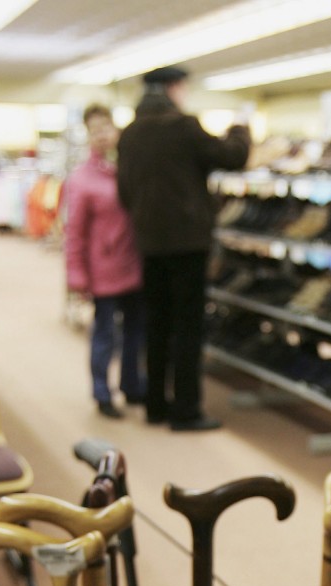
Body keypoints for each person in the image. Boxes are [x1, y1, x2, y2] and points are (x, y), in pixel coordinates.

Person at [117, 66, 251, 431]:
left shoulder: (129, 134)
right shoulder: (184, 126)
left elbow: (124, 193)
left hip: (150, 243)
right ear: (174, 88)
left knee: (156, 325)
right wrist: (241, 127)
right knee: (188, 327)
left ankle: (156, 404)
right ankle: (186, 410)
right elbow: (232, 156)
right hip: (188, 244)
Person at [65, 103, 145, 419]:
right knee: (105, 334)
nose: (101, 136)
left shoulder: (130, 169)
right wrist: (76, 275)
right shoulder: (82, 179)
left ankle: (131, 384)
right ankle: (102, 392)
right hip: (103, 271)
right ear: (87, 136)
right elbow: (75, 233)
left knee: (136, 333)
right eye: (94, 130)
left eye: (106, 128)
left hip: (135, 265)